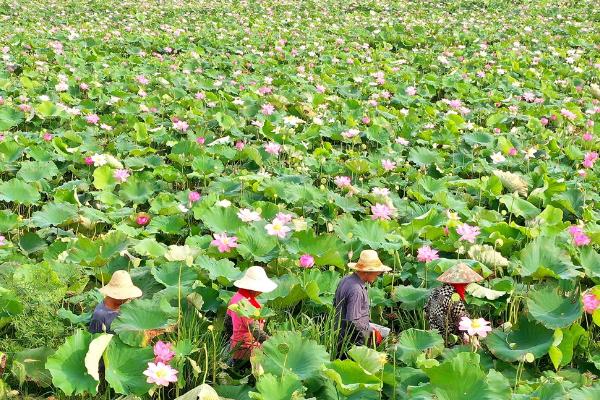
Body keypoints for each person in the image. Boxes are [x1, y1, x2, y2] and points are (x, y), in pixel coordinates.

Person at [334, 250, 391, 356]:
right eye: (376, 272)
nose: (377, 275)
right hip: (353, 342)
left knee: (386, 331)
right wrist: (372, 332)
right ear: (367, 272)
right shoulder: (357, 290)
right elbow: (353, 321)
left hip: (339, 335)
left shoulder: (345, 280)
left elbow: (335, 304)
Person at [224, 266, 277, 369]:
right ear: (253, 288)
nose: (261, 292)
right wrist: (273, 343)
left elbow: (228, 323)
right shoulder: (247, 305)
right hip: (247, 351)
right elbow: (256, 331)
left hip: (236, 347)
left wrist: (234, 339)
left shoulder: (235, 297)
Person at [424, 262, 483, 344]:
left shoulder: (435, 291)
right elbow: (463, 323)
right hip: (449, 340)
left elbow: (426, 311)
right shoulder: (454, 298)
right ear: (462, 283)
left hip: (432, 337)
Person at [89, 270, 142, 334]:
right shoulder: (99, 315)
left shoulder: (130, 305)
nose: (128, 298)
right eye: (126, 296)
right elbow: (95, 339)